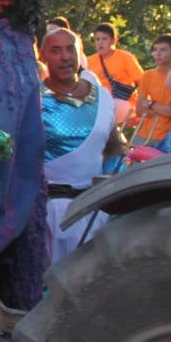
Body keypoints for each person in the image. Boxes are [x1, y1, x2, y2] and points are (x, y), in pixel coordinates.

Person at [40, 28, 129, 264]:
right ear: (43, 56)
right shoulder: (34, 100)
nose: (65, 57)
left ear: (81, 53)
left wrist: (112, 179)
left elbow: (115, 145)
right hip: (52, 216)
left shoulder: (102, 96)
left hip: (96, 211)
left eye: (71, 49)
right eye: (56, 51)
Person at [86, 23, 143, 119]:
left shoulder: (125, 57)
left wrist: (142, 104)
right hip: (98, 103)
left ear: (114, 41)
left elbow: (142, 82)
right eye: (97, 39)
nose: (100, 43)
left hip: (124, 102)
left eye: (104, 39)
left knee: (105, 111)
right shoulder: (90, 61)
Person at [133, 35, 171, 147]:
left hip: (168, 136)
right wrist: (163, 111)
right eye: (155, 50)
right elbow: (139, 110)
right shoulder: (147, 75)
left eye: (163, 50)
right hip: (144, 134)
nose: (158, 54)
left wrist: (150, 104)